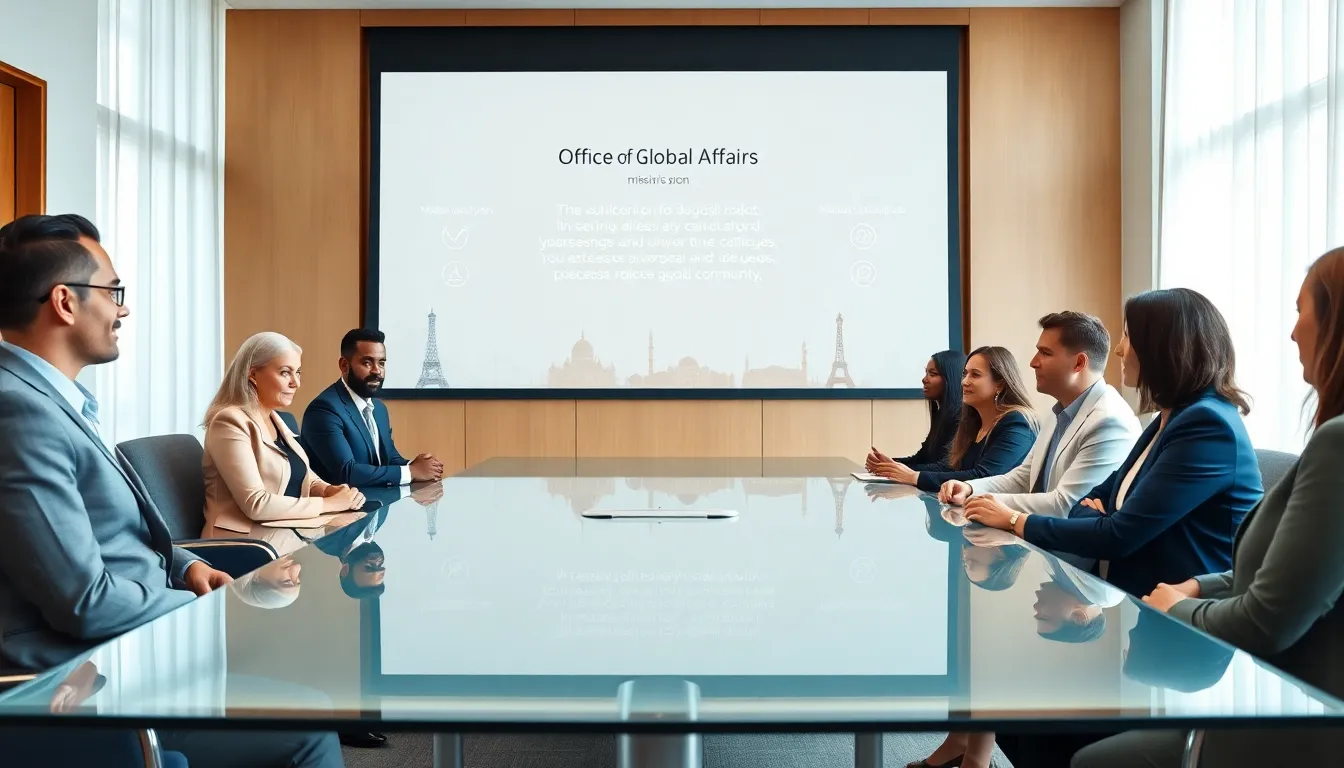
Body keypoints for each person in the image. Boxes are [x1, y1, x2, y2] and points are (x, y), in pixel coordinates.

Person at [0, 214, 342, 767]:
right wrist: (191, 607)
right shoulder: (20, 411)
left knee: (309, 712)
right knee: (307, 725)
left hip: (127, 655)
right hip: (82, 683)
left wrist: (184, 565)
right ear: (64, 302)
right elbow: (84, 602)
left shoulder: (49, 402)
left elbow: (105, 531)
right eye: (114, 292)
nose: (123, 309)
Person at [1075, 247, 1344, 768]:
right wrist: (1202, 585)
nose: (1291, 333)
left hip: (1297, 718)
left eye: (1299, 312)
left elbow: (1266, 621)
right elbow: (1284, 574)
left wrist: (1179, 607)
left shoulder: (1336, 445)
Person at [967, 288, 1262, 600]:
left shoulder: (1205, 424)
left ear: (1161, 347)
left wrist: (1014, 520)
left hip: (1186, 619)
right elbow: (1090, 502)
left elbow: (1116, 535)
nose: (1119, 350)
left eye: (1127, 336)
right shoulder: (1170, 419)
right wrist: (1100, 519)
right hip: (1148, 602)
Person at [943, 313, 1140, 528]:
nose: (1033, 362)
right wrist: (970, 488)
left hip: (1074, 559)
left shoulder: (1109, 421)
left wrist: (983, 502)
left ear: (1079, 363)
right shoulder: (1060, 410)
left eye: (1045, 353)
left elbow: (1065, 505)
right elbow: (1023, 478)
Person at [201, 332, 366, 538]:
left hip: (283, 534)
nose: (295, 382)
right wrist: (328, 504)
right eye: (285, 372)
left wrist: (327, 490)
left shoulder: (278, 419)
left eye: (298, 372)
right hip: (241, 543)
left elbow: (301, 475)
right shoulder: (229, 421)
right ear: (252, 375)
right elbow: (256, 503)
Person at [870, 346, 1037, 492]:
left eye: (975, 375)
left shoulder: (1017, 423)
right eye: (965, 374)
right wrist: (892, 466)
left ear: (1000, 384)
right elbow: (950, 466)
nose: (964, 381)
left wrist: (915, 477)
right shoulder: (973, 422)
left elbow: (985, 477)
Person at [301, 328, 443, 488]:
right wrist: (411, 472)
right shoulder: (324, 410)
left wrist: (421, 466)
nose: (377, 371)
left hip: (378, 505)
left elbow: (389, 459)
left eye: (381, 363)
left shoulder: (379, 409)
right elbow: (347, 473)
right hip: (342, 509)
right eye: (367, 362)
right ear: (344, 365)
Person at [867, 349, 966, 473]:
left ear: (951, 378)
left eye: (933, 374)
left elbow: (946, 467)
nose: (924, 379)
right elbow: (922, 458)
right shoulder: (942, 414)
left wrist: (892, 468)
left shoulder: (961, 417)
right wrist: (887, 463)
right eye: (926, 373)